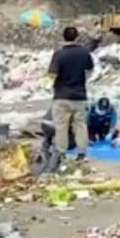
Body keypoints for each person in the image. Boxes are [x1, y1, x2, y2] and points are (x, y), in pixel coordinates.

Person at [48, 26, 95, 164]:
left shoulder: (59, 54)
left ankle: (61, 154)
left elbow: (52, 74)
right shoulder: (84, 53)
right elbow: (90, 69)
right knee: (80, 125)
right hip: (79, 95)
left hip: (61, 96)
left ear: (64, 37)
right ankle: (82, 154)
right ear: (77, 37)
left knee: (61, 126)